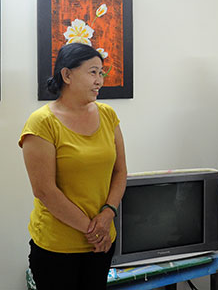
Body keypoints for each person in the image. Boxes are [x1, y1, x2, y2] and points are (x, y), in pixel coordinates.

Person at [20, 43, 127, 290]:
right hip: (58, 247)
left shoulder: (108, 114)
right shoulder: (41, 123)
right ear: (67, 75)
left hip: (101, 242)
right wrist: (93, 230)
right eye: (92, 72)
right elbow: (45, 191)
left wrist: (108, 213)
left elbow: (120, 172)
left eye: (101, 73)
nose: (99, 80)